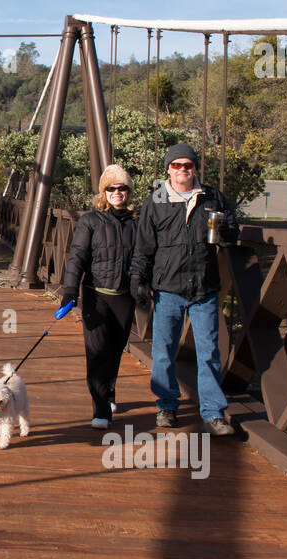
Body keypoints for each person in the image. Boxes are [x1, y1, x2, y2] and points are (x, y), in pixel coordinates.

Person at [130, 143, 240, 436]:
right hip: (168, 289)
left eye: (188, 165)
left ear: (195, 168)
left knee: (209, 353)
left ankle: (214, 415)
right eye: (176, 165)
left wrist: (228, 229)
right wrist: (138, 279)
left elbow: (231, 234)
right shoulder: (156, 201)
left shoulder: (213, 198)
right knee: (163, 352)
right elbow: (144, 246)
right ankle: (166, 406)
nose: (182, 170)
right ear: (168, 168)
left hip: (205, 288)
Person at [59, 164, 138, 430]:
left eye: (122, 188)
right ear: (104, 192)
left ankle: (109, 390)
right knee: (96, 352)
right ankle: (101, 408)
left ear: (129, 192)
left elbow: (145, 259)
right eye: (112, 188)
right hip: (96, 295)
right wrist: (70, 290)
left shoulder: (137, 222)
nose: (117, 193)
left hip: (125, 297)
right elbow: (77, 257)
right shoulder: (90, 220)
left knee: (115, 351)